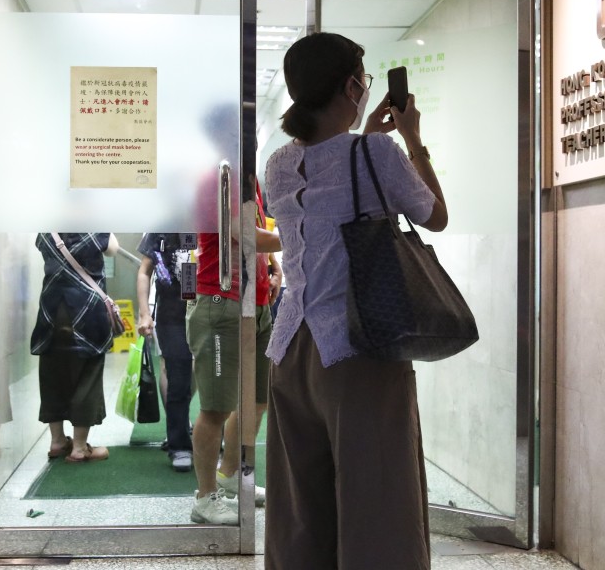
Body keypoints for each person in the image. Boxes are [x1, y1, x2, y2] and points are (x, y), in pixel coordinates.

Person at [263, 32, 447, 569]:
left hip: (291, 349)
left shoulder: (278, 164)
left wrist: (367, 141)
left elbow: (330, 191)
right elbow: (435, 215)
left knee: (302, 512)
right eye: (362, 81)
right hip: (357, 347)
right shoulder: (377, 152)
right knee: (379, 509)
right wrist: (412, 139)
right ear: (350, 87)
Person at [187, 176, 282, 525]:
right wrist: (304, 230)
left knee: (257, 400)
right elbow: (245, 234)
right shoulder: (218, 177)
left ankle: (230, 476)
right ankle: (205, 498)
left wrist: (273, 265)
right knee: (215, 407)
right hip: (220, 300)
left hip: (256, 303)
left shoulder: (249, 178)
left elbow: (256, 232)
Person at [29, 232, 120, 464]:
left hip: (52, 312)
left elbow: (41, 246)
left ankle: (57, 441)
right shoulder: (94, 229)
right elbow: (113, 249)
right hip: (86, 311)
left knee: (52, 375)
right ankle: (79, 448)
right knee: (87, 376)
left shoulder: (46, 231)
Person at [135, 232, 194, 472]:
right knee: (177, 378)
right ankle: (179, 445)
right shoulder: (161, 230)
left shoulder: (212, 222)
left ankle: (210, 435)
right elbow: (144, 271)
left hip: (209, 311)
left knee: (213, 378)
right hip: (171, 316)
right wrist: (144, 314)